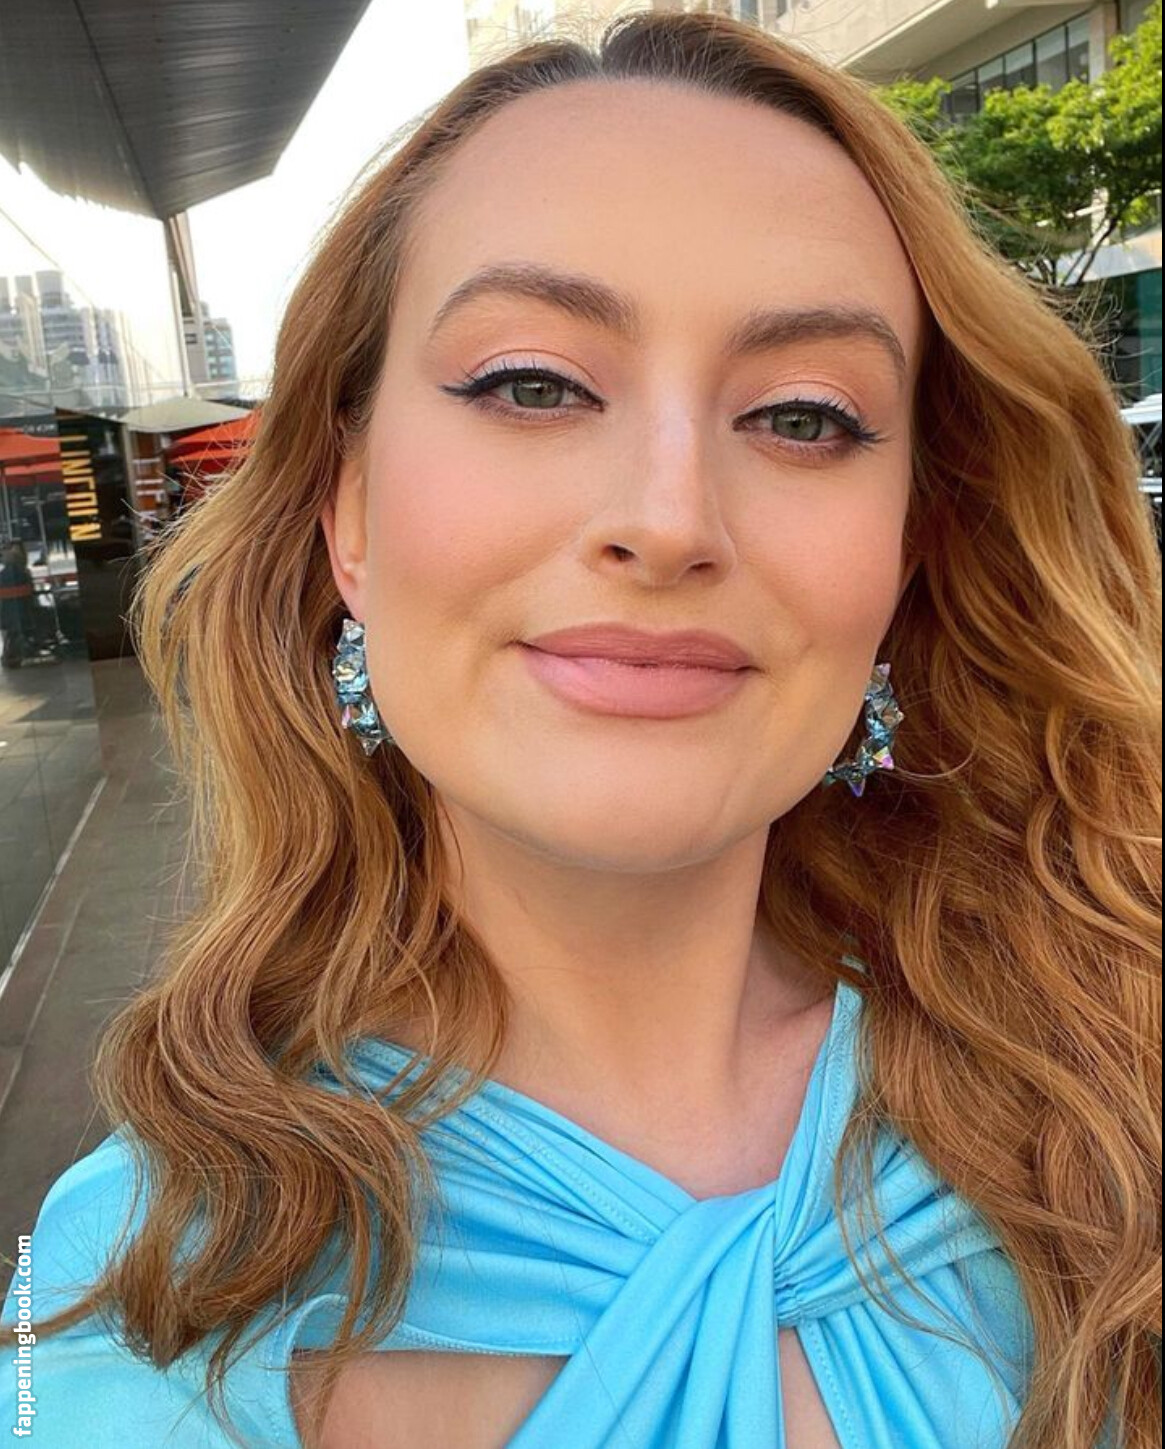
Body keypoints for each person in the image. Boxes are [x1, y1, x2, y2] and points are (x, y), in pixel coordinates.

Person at [2, 10, 1160, 1449]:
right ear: (350, 516)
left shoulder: (1109, 1102)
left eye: (805, 416)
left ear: (907, 547)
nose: (668, 519)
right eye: (532, 385)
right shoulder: (130, 1293)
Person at [0, 540, 36, 668]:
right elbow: (31, 594)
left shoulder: (3, 575)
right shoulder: (24, 574)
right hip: (24, 613)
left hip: (7, 615)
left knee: (9, 633)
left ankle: (10, 653)